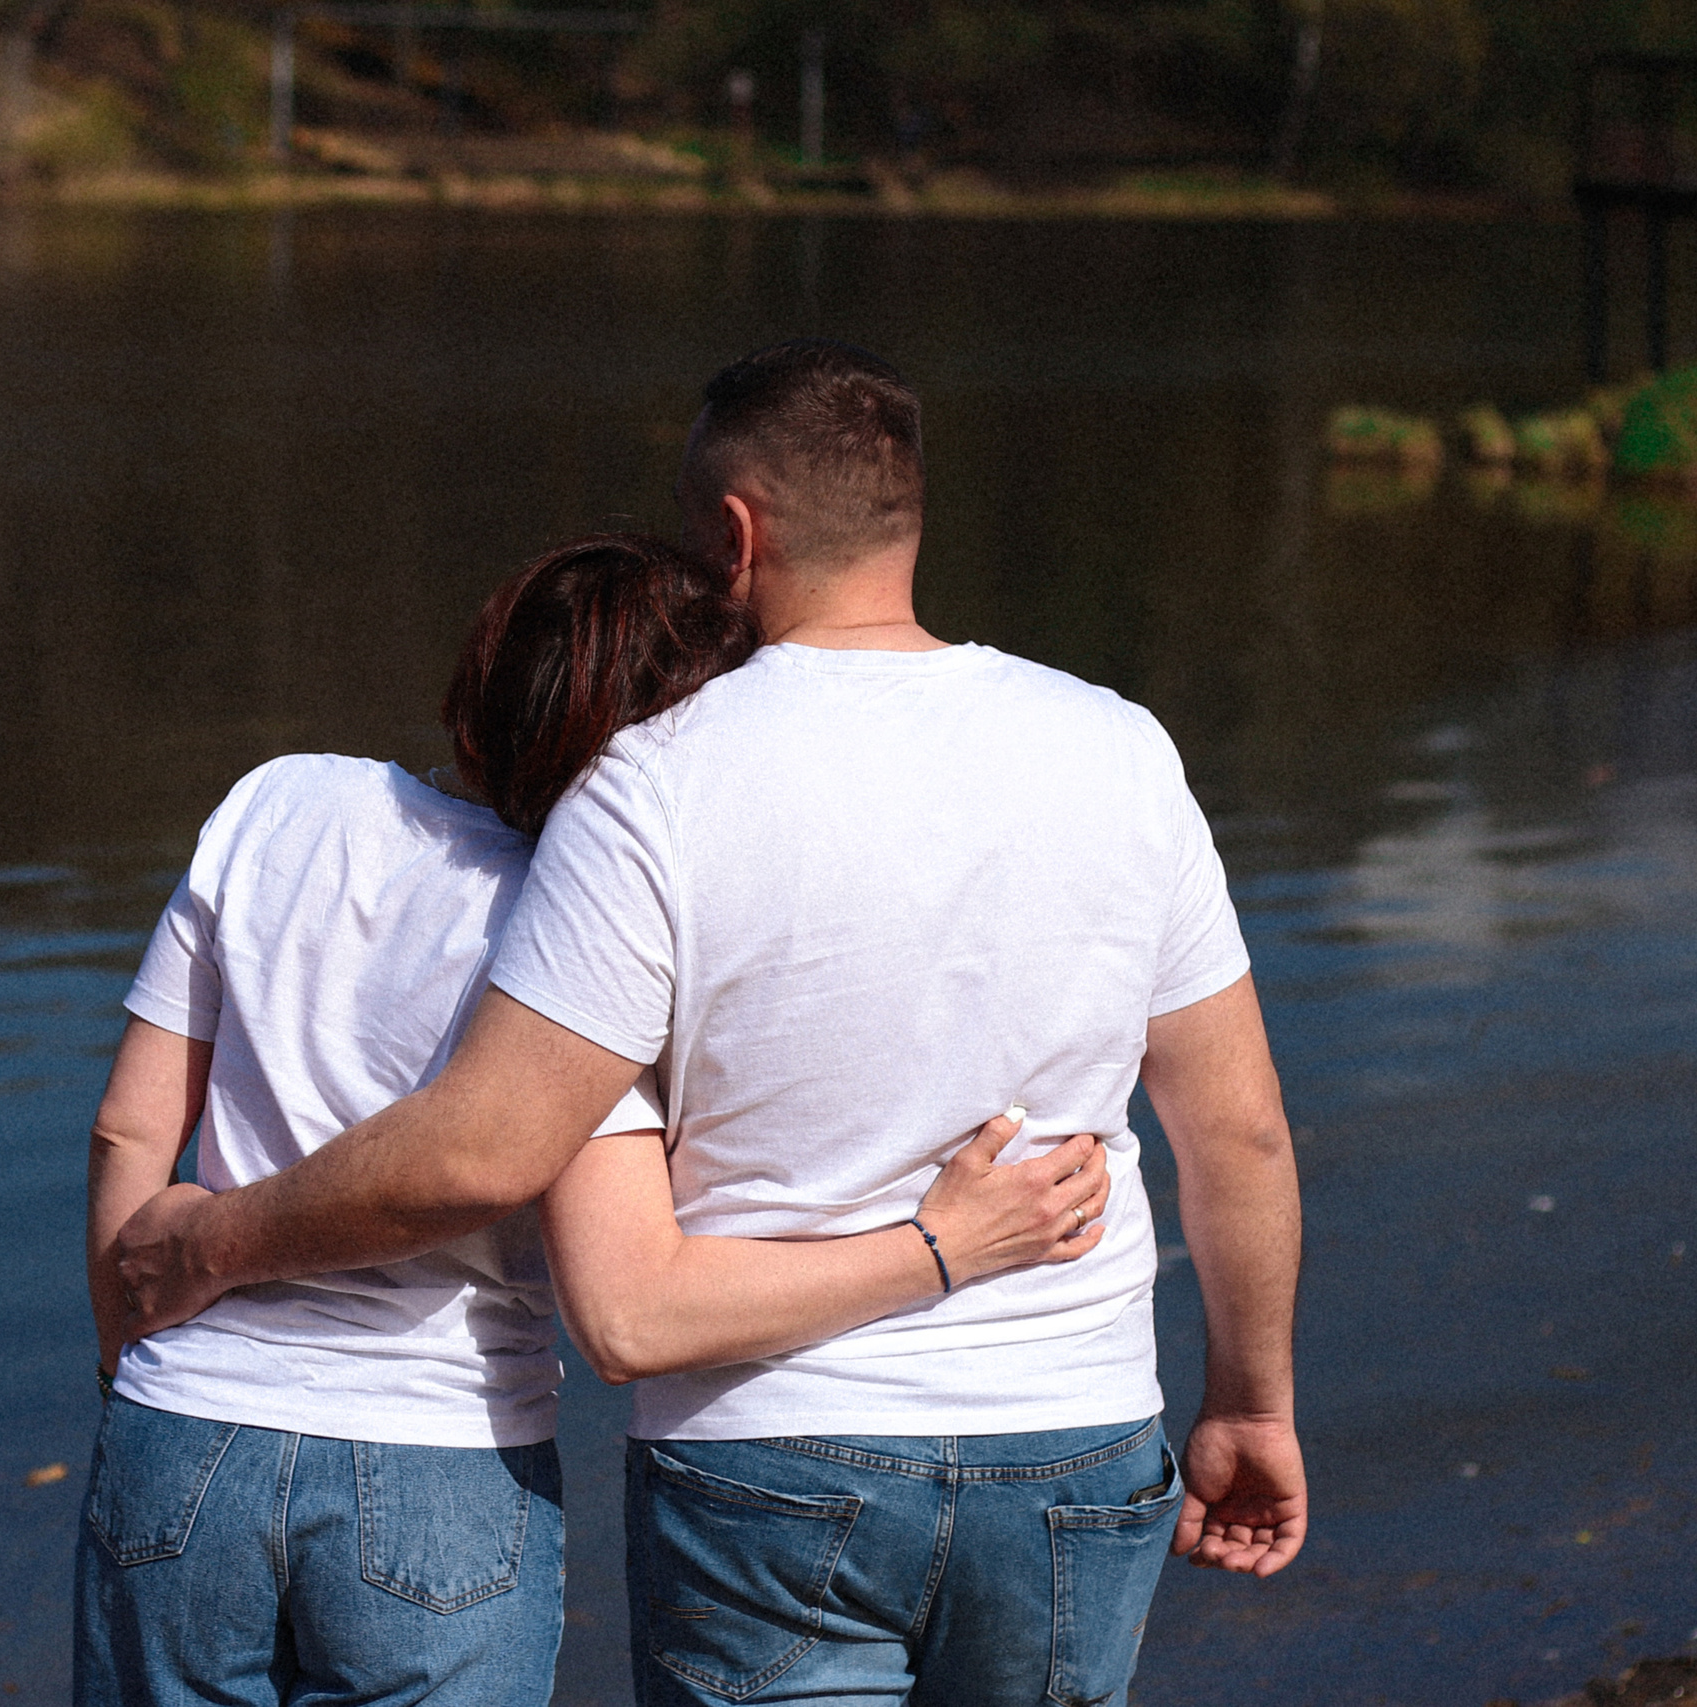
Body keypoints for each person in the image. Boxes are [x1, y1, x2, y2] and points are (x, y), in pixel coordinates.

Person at [111, 341, 1307, 1706]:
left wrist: (211, 1237)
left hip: (769, 1456)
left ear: (735, 534)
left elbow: (489, 1154)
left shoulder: (651, 783)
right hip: (1073, 1430)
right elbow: (1242, 1135)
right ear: (906, 519)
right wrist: (1250, 1401)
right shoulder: (1124, 748)